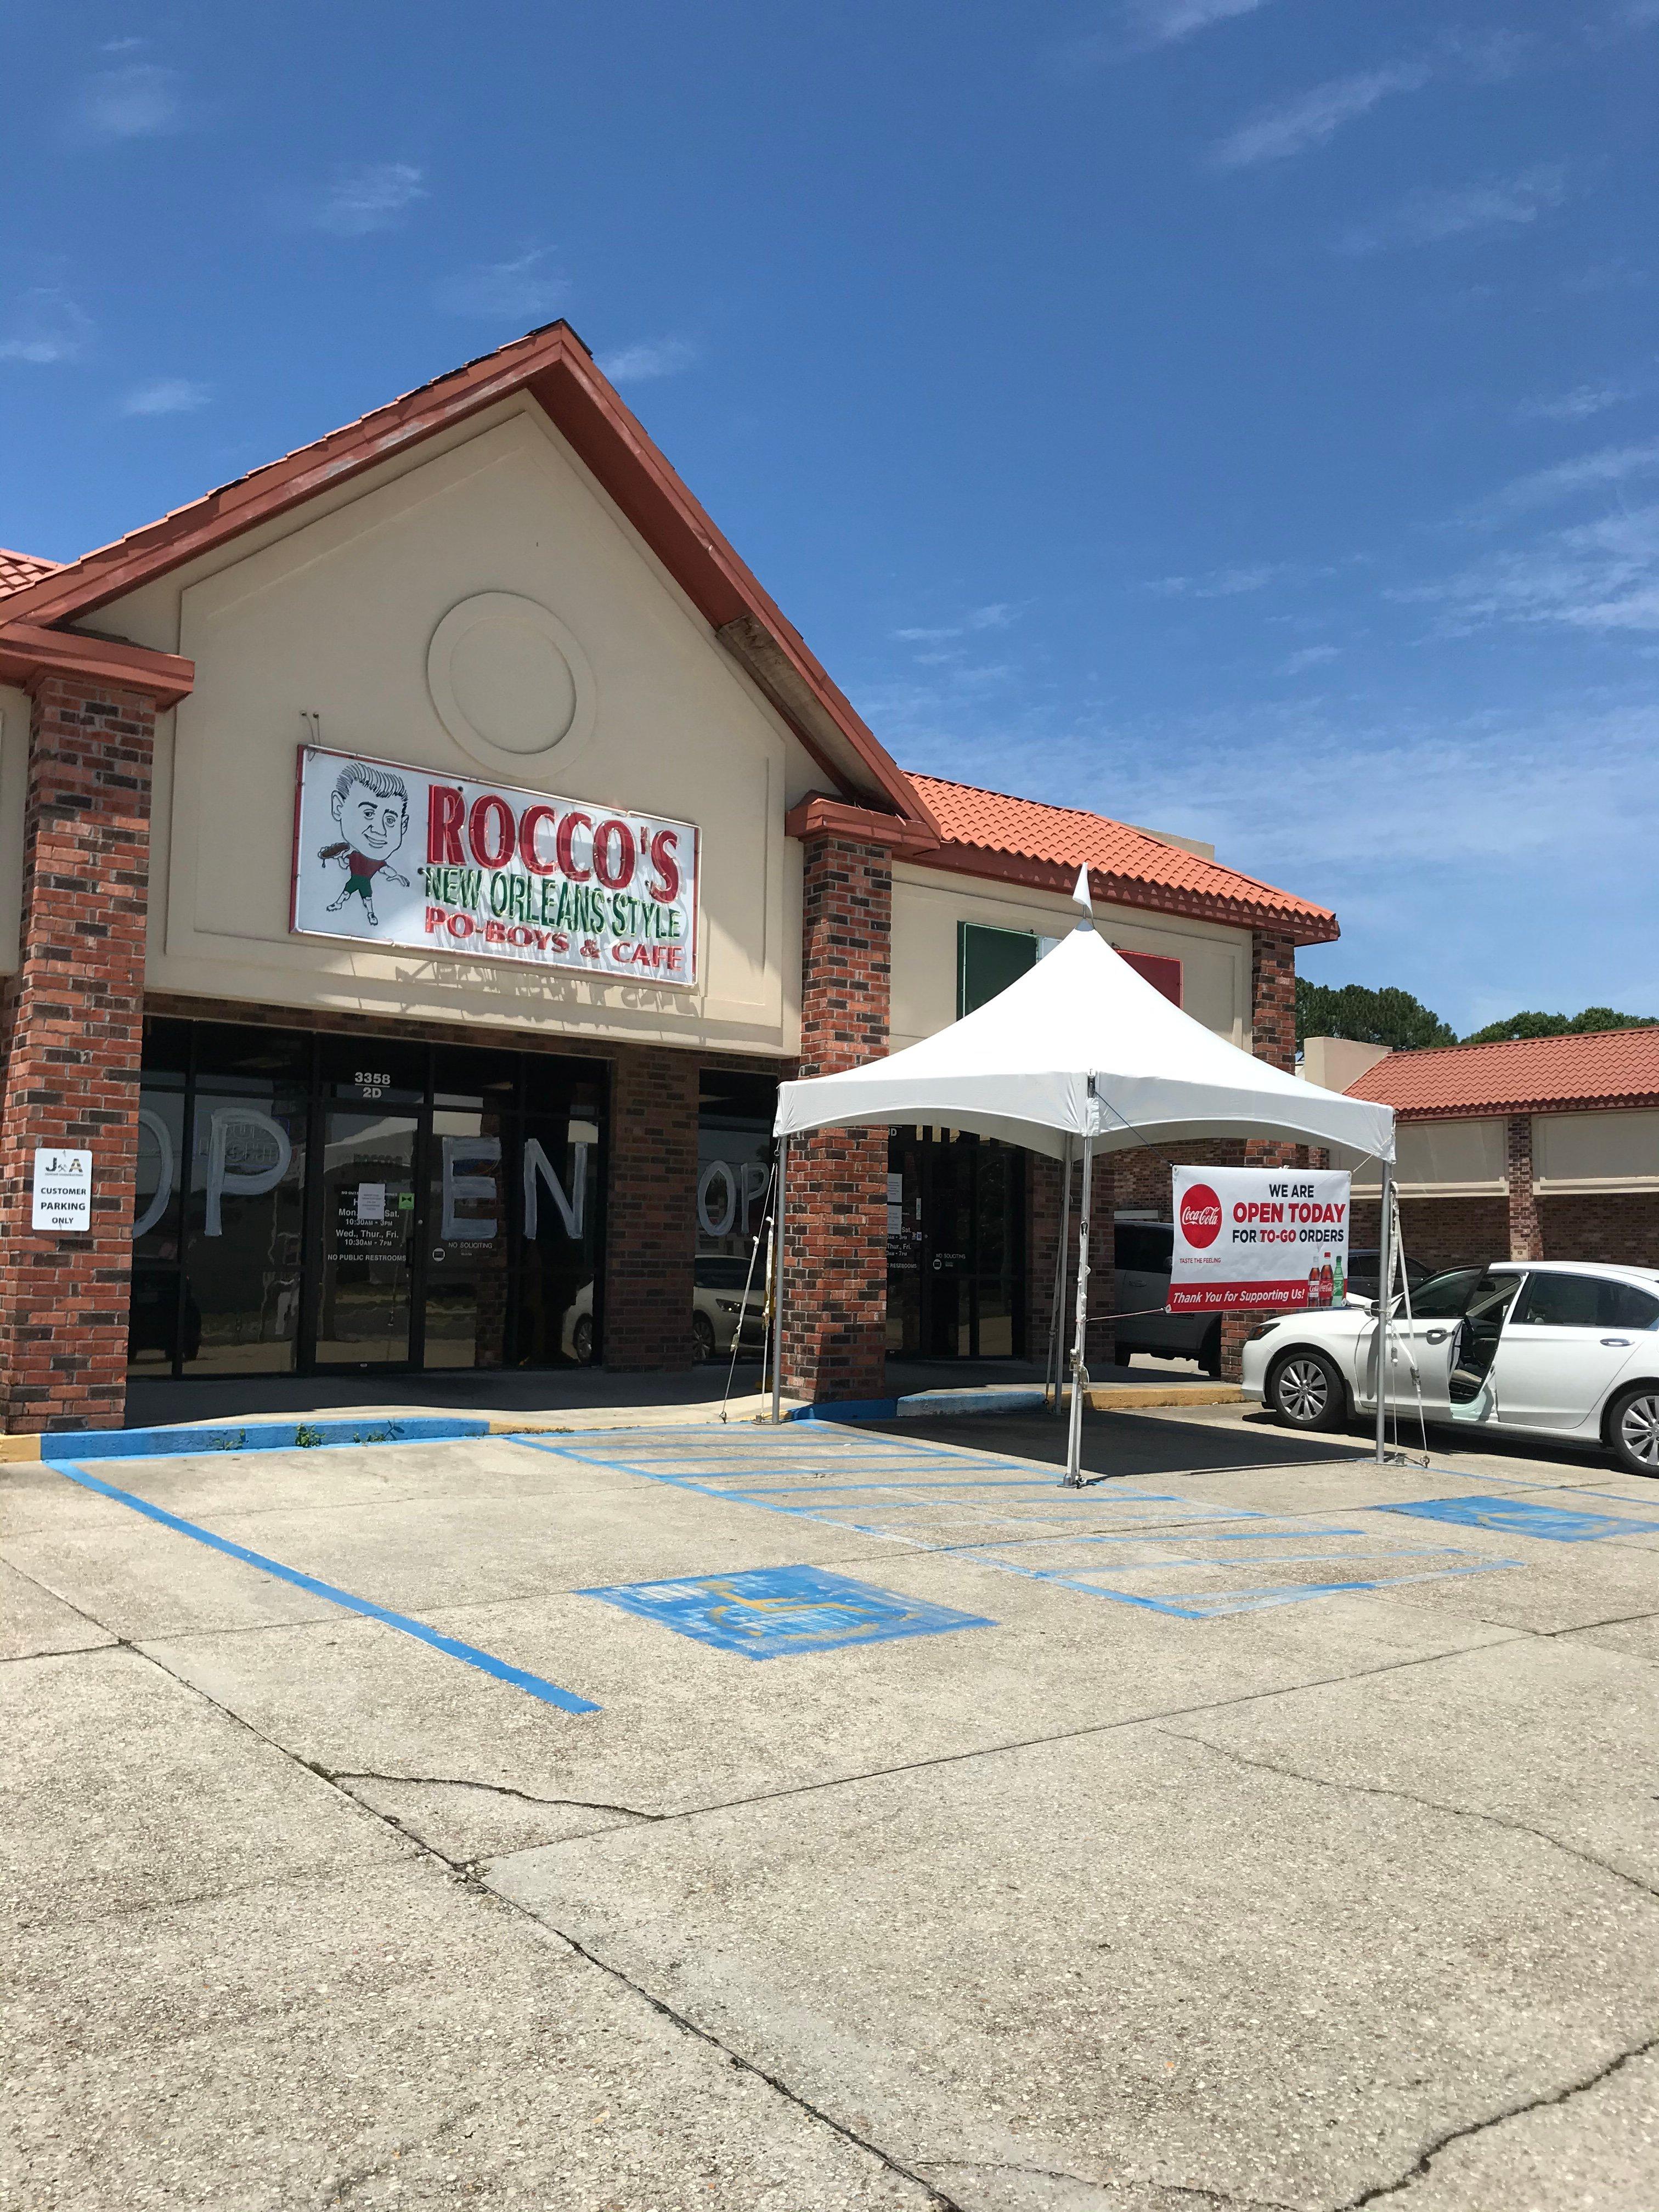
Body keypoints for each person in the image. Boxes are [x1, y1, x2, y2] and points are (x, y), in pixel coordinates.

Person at [318, 760, 410, 929]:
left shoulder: (375, 861)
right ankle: (348, 908)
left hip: (363, 883)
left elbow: (385, 869)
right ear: (339, 807)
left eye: (390, 820)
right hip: (355, 881)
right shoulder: (354, 854)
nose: (379, 830)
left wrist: (397, 876)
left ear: (403, 826)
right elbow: (344, 861)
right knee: (348, 894)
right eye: (368, 813)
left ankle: (370, 914)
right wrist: (336, 858)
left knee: (365, 898)